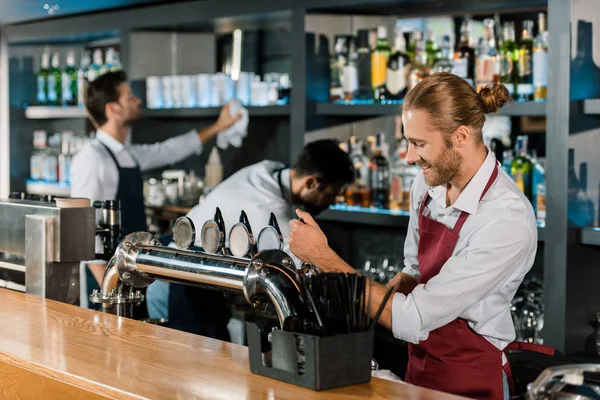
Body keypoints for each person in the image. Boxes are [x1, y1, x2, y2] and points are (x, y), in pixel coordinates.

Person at [288, 73, 553, 400]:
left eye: (419, 144)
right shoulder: (426, 186)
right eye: (408, 142)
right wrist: (385, 296)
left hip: (469, 380)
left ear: (460, 136)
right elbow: (414, 270)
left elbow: (414, 318)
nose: (410, 158)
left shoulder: (505, 219)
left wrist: (324, 259)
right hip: (418, 367)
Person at [145, 139, 355, 339]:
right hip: (178, 280)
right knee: (191, 368)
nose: (331, 202)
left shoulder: (268, 169)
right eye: (329, 195)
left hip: (191, 272)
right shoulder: (267, 207)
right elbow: (304, 269)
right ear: (311, 182)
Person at [71, 70, 241, 300]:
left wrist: (218, 126)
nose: (138, 100)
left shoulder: (126, 154)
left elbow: (168, 151)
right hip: (108, 279)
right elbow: (84, 230)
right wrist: (109, 291)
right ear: (113, 109)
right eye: (129, 96)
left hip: (131, 272)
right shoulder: (93, 158)